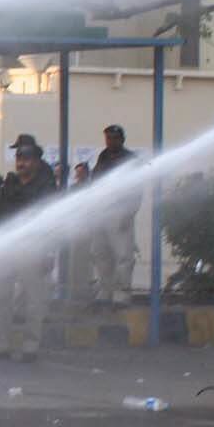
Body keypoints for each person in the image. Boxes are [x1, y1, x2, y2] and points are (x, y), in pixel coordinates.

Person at [0, 143, 56, 362]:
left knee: (33, 301)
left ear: (37, 162)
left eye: (27, 159)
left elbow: (53, 221)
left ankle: (31, 346)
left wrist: (49, 251)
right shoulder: (9, 185)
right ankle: (1, 344)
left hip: (34, 248)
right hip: (7, 248)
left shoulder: (46, 187)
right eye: (19, 158)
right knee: (1, 297)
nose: (21, 163)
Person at [89, 124, 139, 306]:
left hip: (120, 213)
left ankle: (121, 294)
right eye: (107, 138)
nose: (110, 141)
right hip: (101, 213)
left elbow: (136, 189)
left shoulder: (130, 160)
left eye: (114, 138)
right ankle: (105, 291)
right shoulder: (103, 157)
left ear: (122, 140)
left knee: (123, 256)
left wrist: (128, 213)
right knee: (99, 253)